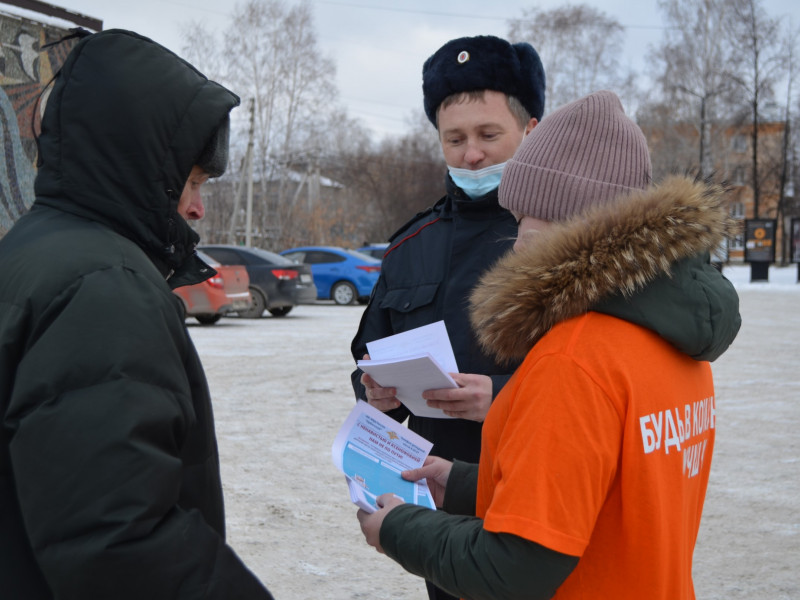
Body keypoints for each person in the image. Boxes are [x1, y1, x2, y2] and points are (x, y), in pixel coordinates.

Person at [356, 90, 742, 600]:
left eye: (526, 220)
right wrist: (463, 484)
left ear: (572, 227)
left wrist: (399, 529)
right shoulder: (677, 341)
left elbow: (517, 567)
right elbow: (608, 495)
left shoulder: (571, 360)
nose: (517, 243)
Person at [0, 30, 274, 599]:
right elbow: (119, 540)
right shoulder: (103, 286)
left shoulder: (31, 248)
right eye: (191, 182)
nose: (198, 206)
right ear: (137, 164)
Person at [350, 36, 544, 599]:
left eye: (488, 135)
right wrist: (374, 395)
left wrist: (501, 397)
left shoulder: (563, 236)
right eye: (454, 139)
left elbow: (604, 376)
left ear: (530, 130)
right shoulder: (412, 244)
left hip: (537, 492)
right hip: (437, 503)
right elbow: (368, 358)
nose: (471, 155)